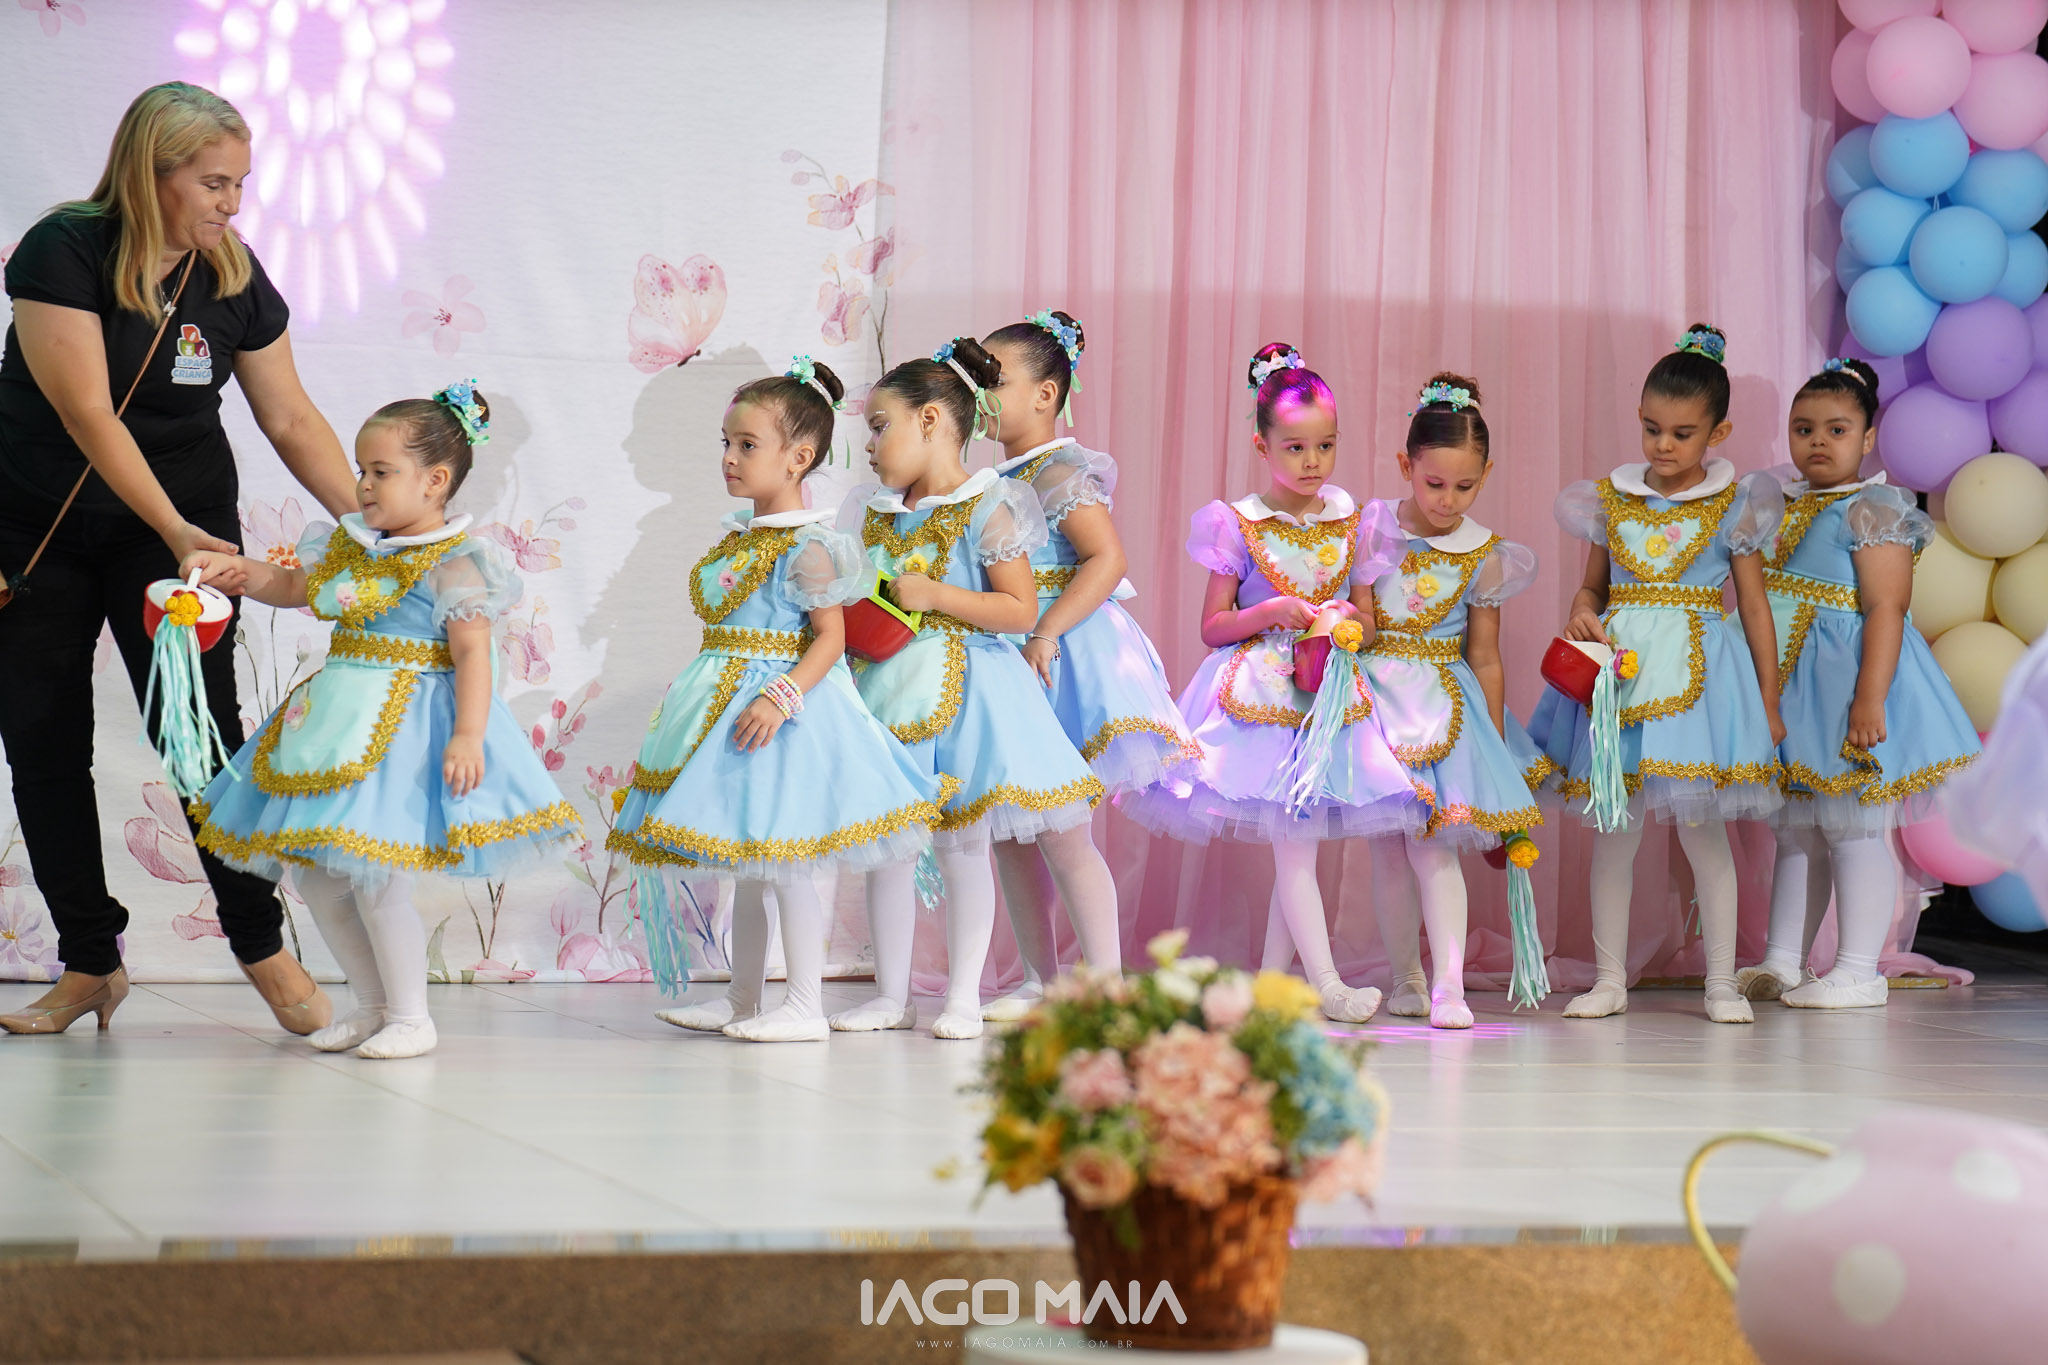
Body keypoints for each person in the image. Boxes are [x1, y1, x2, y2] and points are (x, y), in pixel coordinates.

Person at [0, 82, 358, 1036]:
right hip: (42, 529)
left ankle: (261, 943)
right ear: (149, 173)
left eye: (239, 183)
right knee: (42, 740)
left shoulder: (231, 273)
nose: (232, 204)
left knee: (198, 732)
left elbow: (290, 417)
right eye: (212, 183)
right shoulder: (64, 249)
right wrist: (174, 526)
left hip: (175, 532)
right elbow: (88, 414)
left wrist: (375, 526)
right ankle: (89, 962)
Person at [186, 383, 582, 1058]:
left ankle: (410, 1015)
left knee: (375, 876)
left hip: (404, 733)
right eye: (362, 470)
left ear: (435, 481)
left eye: (381, 472)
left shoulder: (454, 560)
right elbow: (295, 586)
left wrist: (467, 734)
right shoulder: (353, 547)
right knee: (316, 875)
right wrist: (239, 571)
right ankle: (371, 1005)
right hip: (334, 727)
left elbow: (473, 653)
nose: (364, 485)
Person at [607, 358, 941, 1043]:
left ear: (799, 458)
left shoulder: (810, 546)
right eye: (727, 443)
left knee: (785, 861)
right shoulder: (742, 538)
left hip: (785, 717)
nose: (729, 458)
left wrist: (781, 694)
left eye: (747, 445)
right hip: (729, 710)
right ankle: (742, 998)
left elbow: (830, 637)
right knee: (751, 867)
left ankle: (804, 1005)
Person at [1123, 343, 1418, 1023]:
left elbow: (1372, 624)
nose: (1313, 462)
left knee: (1300, 845)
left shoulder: (1353, 520)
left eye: (1325, 446)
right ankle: (1328, 985)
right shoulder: (1238, 522)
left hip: (1328, 697)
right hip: (1260, 701)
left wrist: (1347, 619)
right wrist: (1270, 611)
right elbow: (1213, 625)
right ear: (1263, 445)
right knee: (1296, 846)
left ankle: (1272, 983)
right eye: (1295, 448)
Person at [830, 338, 1104, 1041]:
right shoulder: (873, 510)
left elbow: (1018, 609)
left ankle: (962, 996)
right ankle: (891, 994)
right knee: (888, 847)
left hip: (971, 694)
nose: (870, 447)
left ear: (929, 420)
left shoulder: (990, 503)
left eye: (880, 427)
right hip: (889, 691)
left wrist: (935, 594)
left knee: (963, 845)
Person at [1527, 325, 1785, 1025]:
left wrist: (1768, 701)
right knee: (1616, 832)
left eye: (1681, 433)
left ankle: (1722, 982)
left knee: (1704, 834)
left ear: (1718, 432)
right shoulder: (1611, 500)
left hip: (1697, 689)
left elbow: (1754, 607)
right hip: (1622, 685)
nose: (1663, 445)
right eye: (1651, 429)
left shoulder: (1734, 504)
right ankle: (1609, 979)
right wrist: (1582, 613)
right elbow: (1593, 589)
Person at [974, 310, 1195, 1020]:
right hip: (1013, 655)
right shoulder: (996, 479)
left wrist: (1047, 631)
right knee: (1011, 832)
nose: (981, 397)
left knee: (1063, 830)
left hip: (1061, 655)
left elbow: (1107, 559)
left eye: (995, 382)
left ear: (1046, 394)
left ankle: (1104, 983)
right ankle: (1039, 978)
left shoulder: (1057, 470)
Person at [1742, 359, 1978, 1010]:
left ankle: (1858, 969)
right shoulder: (1782, 501)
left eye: (1837, 429)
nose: (1818, 440)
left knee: (1853, 827)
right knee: (1798, 830)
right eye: (1804, 428)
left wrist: (1870, 697)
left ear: (1867, 437)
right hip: (1795, 689)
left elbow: (1886, 606)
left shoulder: (1873, 508)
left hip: (1847, 685)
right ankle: (1783, 960)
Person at [1359, 374, 1546, 1029]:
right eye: (1434, 483)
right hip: (1377, 704)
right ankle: (1405, 976)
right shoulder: (1371, 529)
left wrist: (1493, 743)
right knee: (1387, 848)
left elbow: (1485, 655)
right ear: (1405, 465)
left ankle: (1448, 985)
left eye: (1464, 487)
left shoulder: (1484, 554)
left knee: (1435, 847)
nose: (1447, 500)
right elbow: (1358, 616)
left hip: (1446, 707)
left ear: (1486, 475)